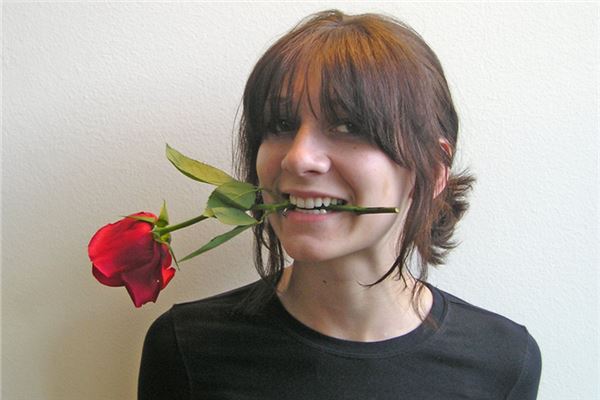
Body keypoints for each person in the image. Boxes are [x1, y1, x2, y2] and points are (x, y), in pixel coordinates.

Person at [138, 10, 541, 399]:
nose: (298, 158)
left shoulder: (502, 360)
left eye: (349, 125)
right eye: (281, 125)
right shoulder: (187, 348)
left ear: (434, 169)